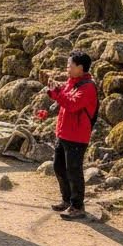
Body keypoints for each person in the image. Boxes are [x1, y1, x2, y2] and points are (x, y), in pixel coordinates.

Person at [46, 50, 98, 221]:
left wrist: (58, 94)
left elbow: (72, 104)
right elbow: (65, 98)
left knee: (74, 171)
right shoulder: (72, 82)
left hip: (77, 136)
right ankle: (67, 199)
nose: (67, 68)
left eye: (70, 65)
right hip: (64, 133)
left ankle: (77, 206)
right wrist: (55, 90)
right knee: (59, 167)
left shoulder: (88, 87)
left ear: (80, 68)